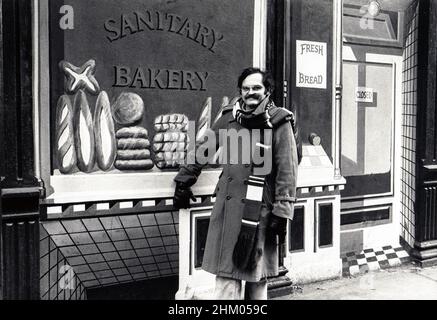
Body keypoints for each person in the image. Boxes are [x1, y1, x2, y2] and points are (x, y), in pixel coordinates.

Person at [173, 67, 298, 300]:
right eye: (246, 88)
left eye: (256, 88)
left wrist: (282, 211)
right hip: (229, 208)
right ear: (240, 90)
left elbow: (287, 170)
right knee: (226, 279)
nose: (251, 93)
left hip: (259, 210)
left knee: (256, 279)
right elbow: (204, 148)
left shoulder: (280, 120)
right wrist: (184, 180)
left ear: (267, 90)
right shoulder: (229, 116)